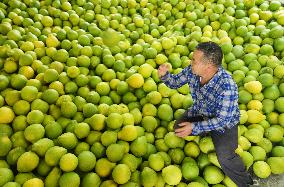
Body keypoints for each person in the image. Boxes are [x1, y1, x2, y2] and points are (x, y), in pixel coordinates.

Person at [158, 41, 253, 187]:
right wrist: (165, 76)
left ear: (208, 66)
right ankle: (205, 133)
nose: (191, 62)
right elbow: (175, 82)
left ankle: (246, 183)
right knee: (178, 128)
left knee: (225, 157)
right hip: (200, 112)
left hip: (224, 124)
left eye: (194, 60)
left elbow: (222, 120)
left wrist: (194, 127)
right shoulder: (193, 71)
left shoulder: (227, 86)